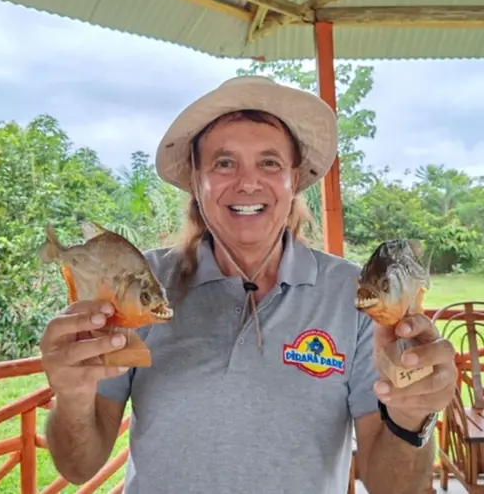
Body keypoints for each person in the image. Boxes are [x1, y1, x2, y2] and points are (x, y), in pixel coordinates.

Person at [39, 75, 457, 494]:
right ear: (196, 182)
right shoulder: (142, 286)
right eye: (224, 163)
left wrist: (409, 420)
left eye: (270, 163)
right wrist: (72, 398)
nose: (248, 183)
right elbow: (79, 466)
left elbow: (392, 487)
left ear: (294, 180)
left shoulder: (354, 294)